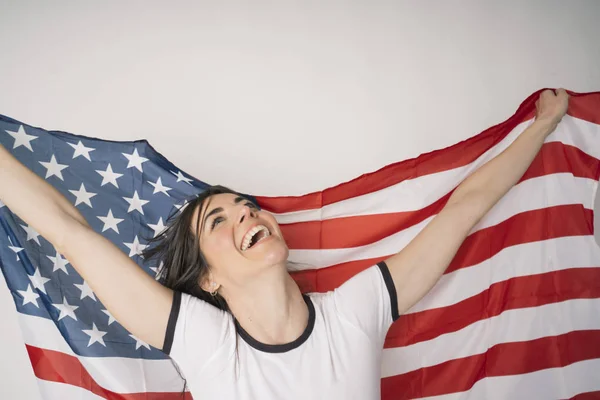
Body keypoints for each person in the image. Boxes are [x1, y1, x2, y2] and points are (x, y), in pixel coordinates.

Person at [0, 89, 569, 399]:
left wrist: (542, 127)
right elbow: (66, 229)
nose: (246, 213)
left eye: (244, 205)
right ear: (208, 279)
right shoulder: (205, 340)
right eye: (217, 221)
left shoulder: (354, 313)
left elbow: (463, 210)